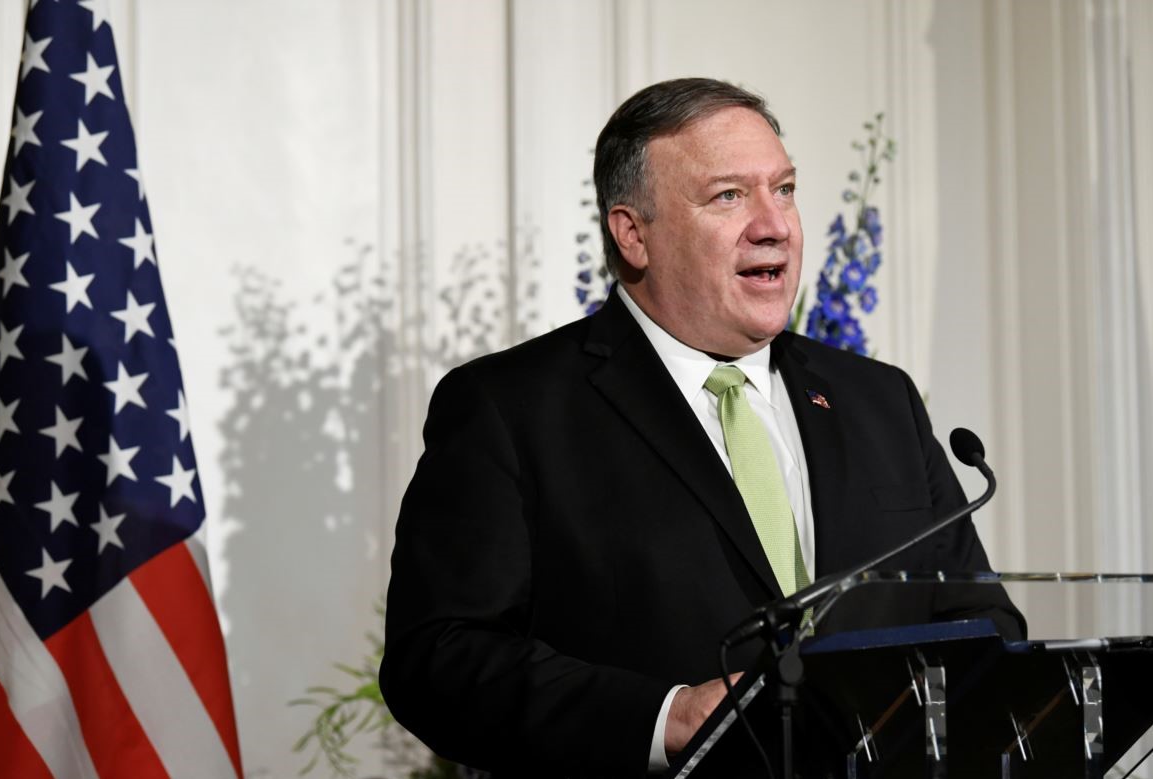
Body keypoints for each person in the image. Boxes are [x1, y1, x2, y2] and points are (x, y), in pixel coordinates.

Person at [380, 77, 1024, 778]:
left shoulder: (879, 400)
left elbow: (983, 628)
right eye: (728, 196)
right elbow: (438, 659)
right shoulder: (510, 409)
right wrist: (669, 716)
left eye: (783, 189)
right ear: (633, 234)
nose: (774, 224)